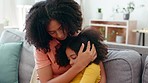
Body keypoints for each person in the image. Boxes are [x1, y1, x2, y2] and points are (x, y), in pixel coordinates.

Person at [25, 0, 106, 83]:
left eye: (61, 28)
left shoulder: (76, 36)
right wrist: (79, 65)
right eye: (52, 32)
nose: (60, 35)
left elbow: (97, 62)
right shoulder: (42, 46)